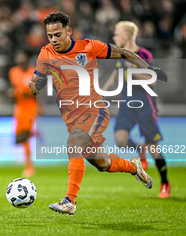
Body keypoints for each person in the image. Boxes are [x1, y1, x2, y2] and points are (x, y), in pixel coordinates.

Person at [29, 12, 167, 215]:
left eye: (58, 34)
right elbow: (32, 86)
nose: (54, 40)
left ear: (69, 31)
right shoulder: (45, 54)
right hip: (71, 116)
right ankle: (133, 166)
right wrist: (37, 84)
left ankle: (70, 201)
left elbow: (123, 53)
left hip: (94, 109)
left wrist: (149, 69)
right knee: (101, 163)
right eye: (50, 36)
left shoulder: (88, 47)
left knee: (74, 144)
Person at [102, 21, 170, 198]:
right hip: (126, 106)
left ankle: (164, 183)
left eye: (116, 34)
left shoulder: (144, 54)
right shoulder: (120, 56)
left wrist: (133, 71)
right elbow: (115, 76)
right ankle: (140, 149)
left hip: (145, 106)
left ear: (126, 36)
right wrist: (100, 93)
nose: (114, 37)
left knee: (153, 147)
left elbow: (153, 80)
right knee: (120, 139)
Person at [8, 50, 39, 177]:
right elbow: (16, 88)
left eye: (22, 56)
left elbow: (37, 91)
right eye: (18, 56)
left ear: (27, 58)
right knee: (20, 138)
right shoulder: (13, 72)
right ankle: (36, 133)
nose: (19, 58)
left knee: (25, 137)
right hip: (19, 108)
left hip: (31, 107)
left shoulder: (34, 72)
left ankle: (29, 166)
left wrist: (24, 93)